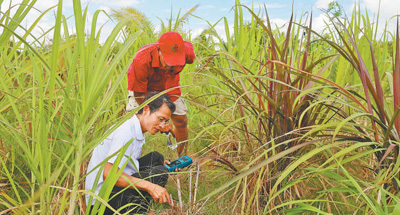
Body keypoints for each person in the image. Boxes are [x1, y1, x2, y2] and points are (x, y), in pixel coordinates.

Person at [85, 92, 177, 214]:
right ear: (146, 109)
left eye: (165, 121)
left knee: (157, 158)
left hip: (108, 190)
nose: (161, 125)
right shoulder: (126, 132)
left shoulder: (134, 126)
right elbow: (108, 173)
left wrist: (161, 166)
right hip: (100, 203)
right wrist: (150, 186)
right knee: (160, 173)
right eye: (160, 119)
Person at [126, 31, 196, 156]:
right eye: (169, 61)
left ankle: (182, 158)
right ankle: (130, 162)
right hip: (144, 90)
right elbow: (139, 94)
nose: (173, 66)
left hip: (170, 86)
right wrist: (160, 120)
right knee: (133, 125)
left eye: (177, 61)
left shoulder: (188, 53)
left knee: (181, 121)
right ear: (159, 51)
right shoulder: (142, 59)